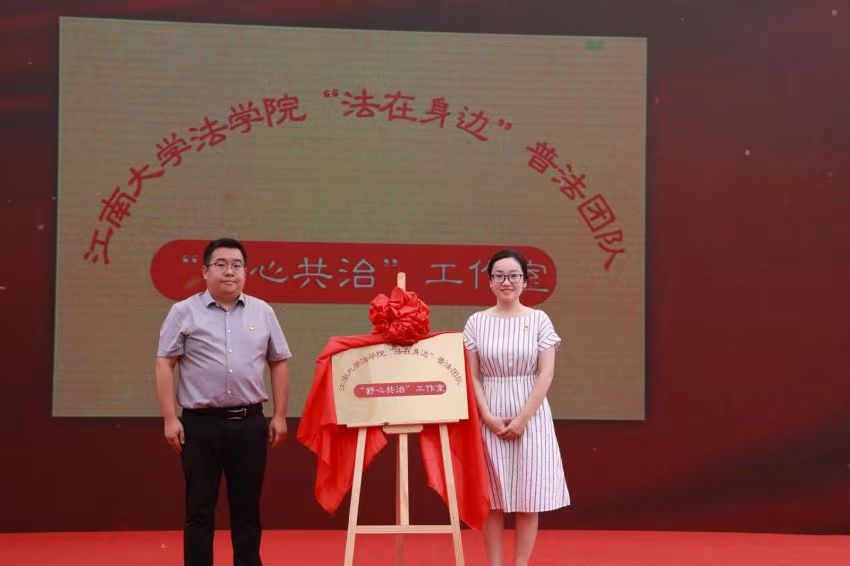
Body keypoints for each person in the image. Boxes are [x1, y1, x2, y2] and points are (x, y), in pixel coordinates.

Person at [155, 237, 292, 566]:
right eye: (221, 264)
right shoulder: (183, 312)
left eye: (237, 265)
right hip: (200, 426)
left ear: (245, 272)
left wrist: (280, 416)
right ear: (205, 271)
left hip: (249, 423)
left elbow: (279, 362)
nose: (230, 271)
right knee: (199, 509)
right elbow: (165, 363)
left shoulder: (263, 311)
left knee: (247, 510)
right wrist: (170, 419)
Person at [462, 249, 570, 566]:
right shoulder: (476, 322)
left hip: (531, 413)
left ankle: (521, 563)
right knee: (492, 497)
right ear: (490, 282)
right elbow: (472, 375)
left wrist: (523, 419)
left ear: (524, 281)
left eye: (513, 276)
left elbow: (546, 373)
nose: (506, 282)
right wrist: (487, 416)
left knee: (529, 495)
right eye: (499, 276)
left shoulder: (539, 320)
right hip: (490, 410)